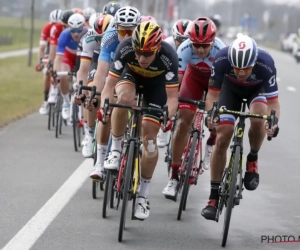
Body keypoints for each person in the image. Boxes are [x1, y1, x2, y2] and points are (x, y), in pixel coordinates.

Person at [100, 21, 179, 219]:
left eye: (147, 54)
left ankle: (143, 196)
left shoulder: (169, 56)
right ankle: (116, 149)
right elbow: (109, 87)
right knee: (123, 100)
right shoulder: (125, 47)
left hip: (156, 87)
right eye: (138, 53)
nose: (142, 58)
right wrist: (105, 106)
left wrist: (167, 116)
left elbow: (172, 99)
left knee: (149, 139)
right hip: (130, 77)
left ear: (158, 48)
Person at [201, 34, 280, 220]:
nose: (241, 72)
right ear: (231, 61)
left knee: (259, 116)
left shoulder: (266, 62)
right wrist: (211, 116)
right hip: (230, 91)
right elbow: (212, 96)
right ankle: (213, 197)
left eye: (246, 68)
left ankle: (252, 158)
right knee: (223, 135)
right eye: (236, 67)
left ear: (254, 61)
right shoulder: (221, 58)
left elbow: (274, 103)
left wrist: (273, 123)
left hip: (256, 90)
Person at [162, 17, 226, 198]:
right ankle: (174, 178)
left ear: (213, 41)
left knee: (215, 118)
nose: (199, 49)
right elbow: (176, 84)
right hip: (194, 79)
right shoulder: (184, 48)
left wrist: (213, 111)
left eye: (205, 45)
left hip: (215, 83)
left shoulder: (221, 51)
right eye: (196, 44)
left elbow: (221, 89)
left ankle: (211, 140)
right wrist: (171, 108)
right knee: (183, 122)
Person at [82, 6, 141, 180]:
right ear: (116, 28)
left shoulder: (144, 38)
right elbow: (101, 72)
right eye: (123, 31)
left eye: (131, 31)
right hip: (115, 70)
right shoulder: (109, 38)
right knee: (107, 107)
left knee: (132, 102)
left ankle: (134, 146)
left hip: (134, 71)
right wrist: (97, 95)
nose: (127, 36)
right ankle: (100, 162)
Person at [76, 14, 114, 158]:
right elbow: (83, 69)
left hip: (113, 58)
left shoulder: (117, 37)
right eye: (98, 38)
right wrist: (81, 88)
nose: (101, 41)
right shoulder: (89, 38)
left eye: (103, 37)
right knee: (92, 93)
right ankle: (90, 133)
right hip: (96, 59)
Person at [157, 19, 192, 147]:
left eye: (186, 40)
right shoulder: (166, 44)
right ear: (173, 37)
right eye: (179, 40)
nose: (182, 43)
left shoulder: (192, 48)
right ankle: (166, 122)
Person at [53, 13, 87, 120]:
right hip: (69, 56)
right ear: (69, 28)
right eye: (73, 30)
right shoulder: (64, 34)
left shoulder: (88, 33)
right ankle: (66, 103)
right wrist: (56, 74)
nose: (76, 34)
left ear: (83, 27)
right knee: (63, 75)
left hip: (83, 57)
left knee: (83, 79)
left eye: (78, 30)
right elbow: (58, 57)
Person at [37, 9, 63, 115]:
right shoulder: (47, 28)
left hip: (62, 51)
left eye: (57, 24)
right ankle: (45, 100)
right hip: (50, 50)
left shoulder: (63, 29)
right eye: (53, 23)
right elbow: (42, 48)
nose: (54, 26)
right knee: (47, 72)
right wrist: (41, 62)